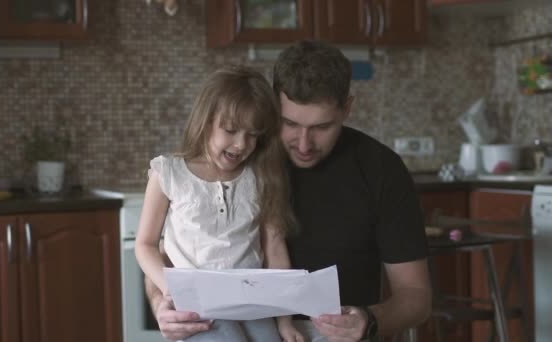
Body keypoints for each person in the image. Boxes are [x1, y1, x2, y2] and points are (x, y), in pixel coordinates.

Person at [146, 40, 432, 342]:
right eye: (290, 123)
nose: (304, 144)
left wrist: (369, 320)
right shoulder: (240, 154)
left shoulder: (381, 169)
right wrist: (160, 304)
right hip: (238, 326)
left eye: (322, 127)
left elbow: (416, 296)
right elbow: (170, 250)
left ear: (347, 108)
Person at [134, 65, 304, 342]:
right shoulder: (168, 172)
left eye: (252, 134)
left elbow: (273, 246)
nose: (241, 144)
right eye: (231, 130)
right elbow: (145, 244)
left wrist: (285, 321)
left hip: (252, 300)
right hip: (198, 301)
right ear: (205, 120)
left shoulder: (261, 177)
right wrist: (168, 289)